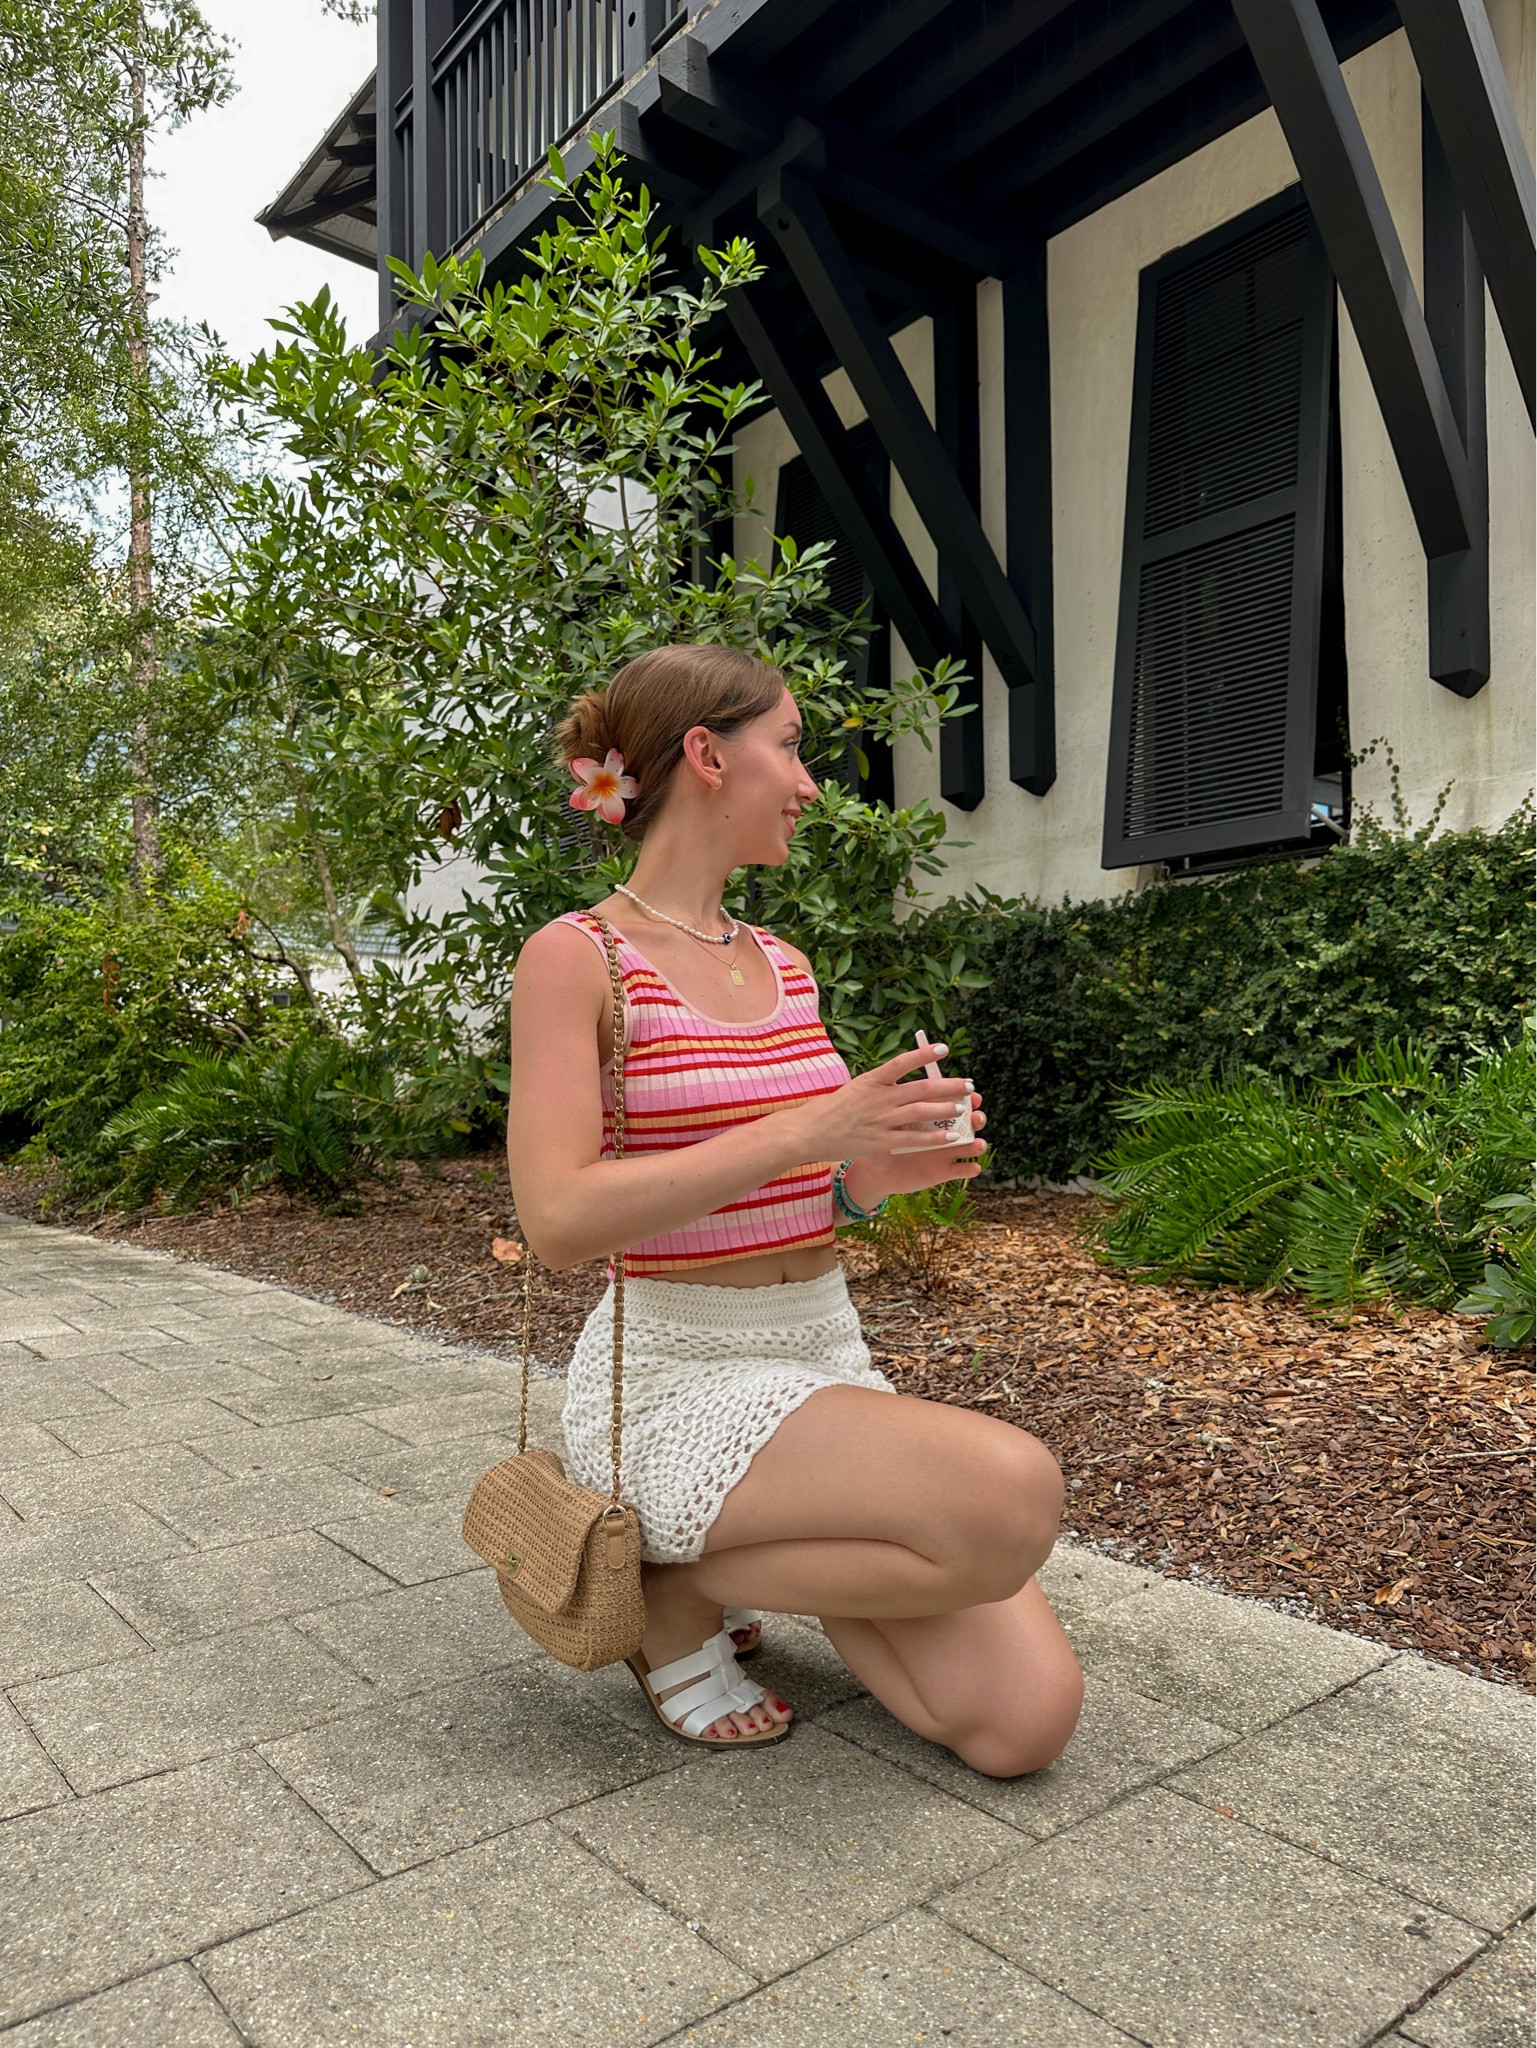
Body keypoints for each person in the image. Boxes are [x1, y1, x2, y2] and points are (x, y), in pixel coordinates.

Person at [507, 644, 1082, 1774]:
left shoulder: (785, 961)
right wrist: (808, 1131)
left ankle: (698, 1572)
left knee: (1023, 1722)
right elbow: (560, 1218)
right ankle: (675, 1575)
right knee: (1011, 1492)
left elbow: (801, 1186)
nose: (809, 781)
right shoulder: (578, 960)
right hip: (675, 1377)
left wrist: (868, 1177)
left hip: (818, 1352)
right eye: (792, 745)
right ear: (708, 755)